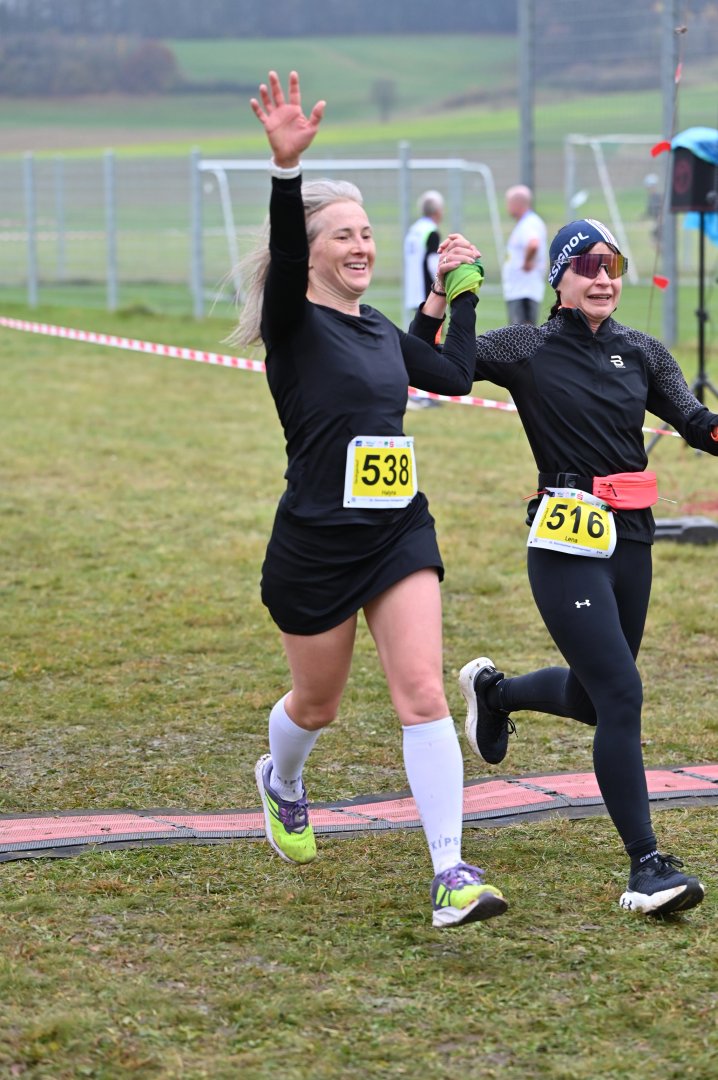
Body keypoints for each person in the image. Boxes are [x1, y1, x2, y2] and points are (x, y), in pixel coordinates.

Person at [236, 70, 506, 929]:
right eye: (344, 235)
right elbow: (287, 249)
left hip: (397, 533)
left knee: (422, 693)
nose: (361, 245)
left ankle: (451, 872)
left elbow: (452, 374)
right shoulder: (292, 323)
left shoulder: (379, 327)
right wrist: (287, 170)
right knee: (315, 704)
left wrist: (457, 294)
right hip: (317, 541)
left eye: (367, 233)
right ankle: (282, 780)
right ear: (311, 251)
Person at [411, 216, 717, 918]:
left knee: (594, 697)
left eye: (613, 266)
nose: (604, 278)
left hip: (630, 542)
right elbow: (429, 365)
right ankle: (647, 867)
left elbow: (697, 423)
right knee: (622, 695)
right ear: (559, 278)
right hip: (564, 545)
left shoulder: (643, 351)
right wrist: (446, 296)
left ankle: (496, 694)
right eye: (588, 266)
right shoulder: (528, 346)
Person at [404, 190, 445, 407]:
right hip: (428, 294)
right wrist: (442, 286)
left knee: (417, 341)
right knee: (429, 345)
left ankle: (417, 391)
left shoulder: (414, 230)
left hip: (413, 290)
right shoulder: (431, 232)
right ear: (438, 211)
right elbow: (432, 263)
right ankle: (423, 394)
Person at [502, 184, 547, 326]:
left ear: (517, 203)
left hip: (524, 290)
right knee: (520, 330)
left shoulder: (529, 223)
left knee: (522, 332)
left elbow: (533, 243)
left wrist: (527, 262)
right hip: (520, 289)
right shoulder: (525, 223)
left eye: (509, 203)